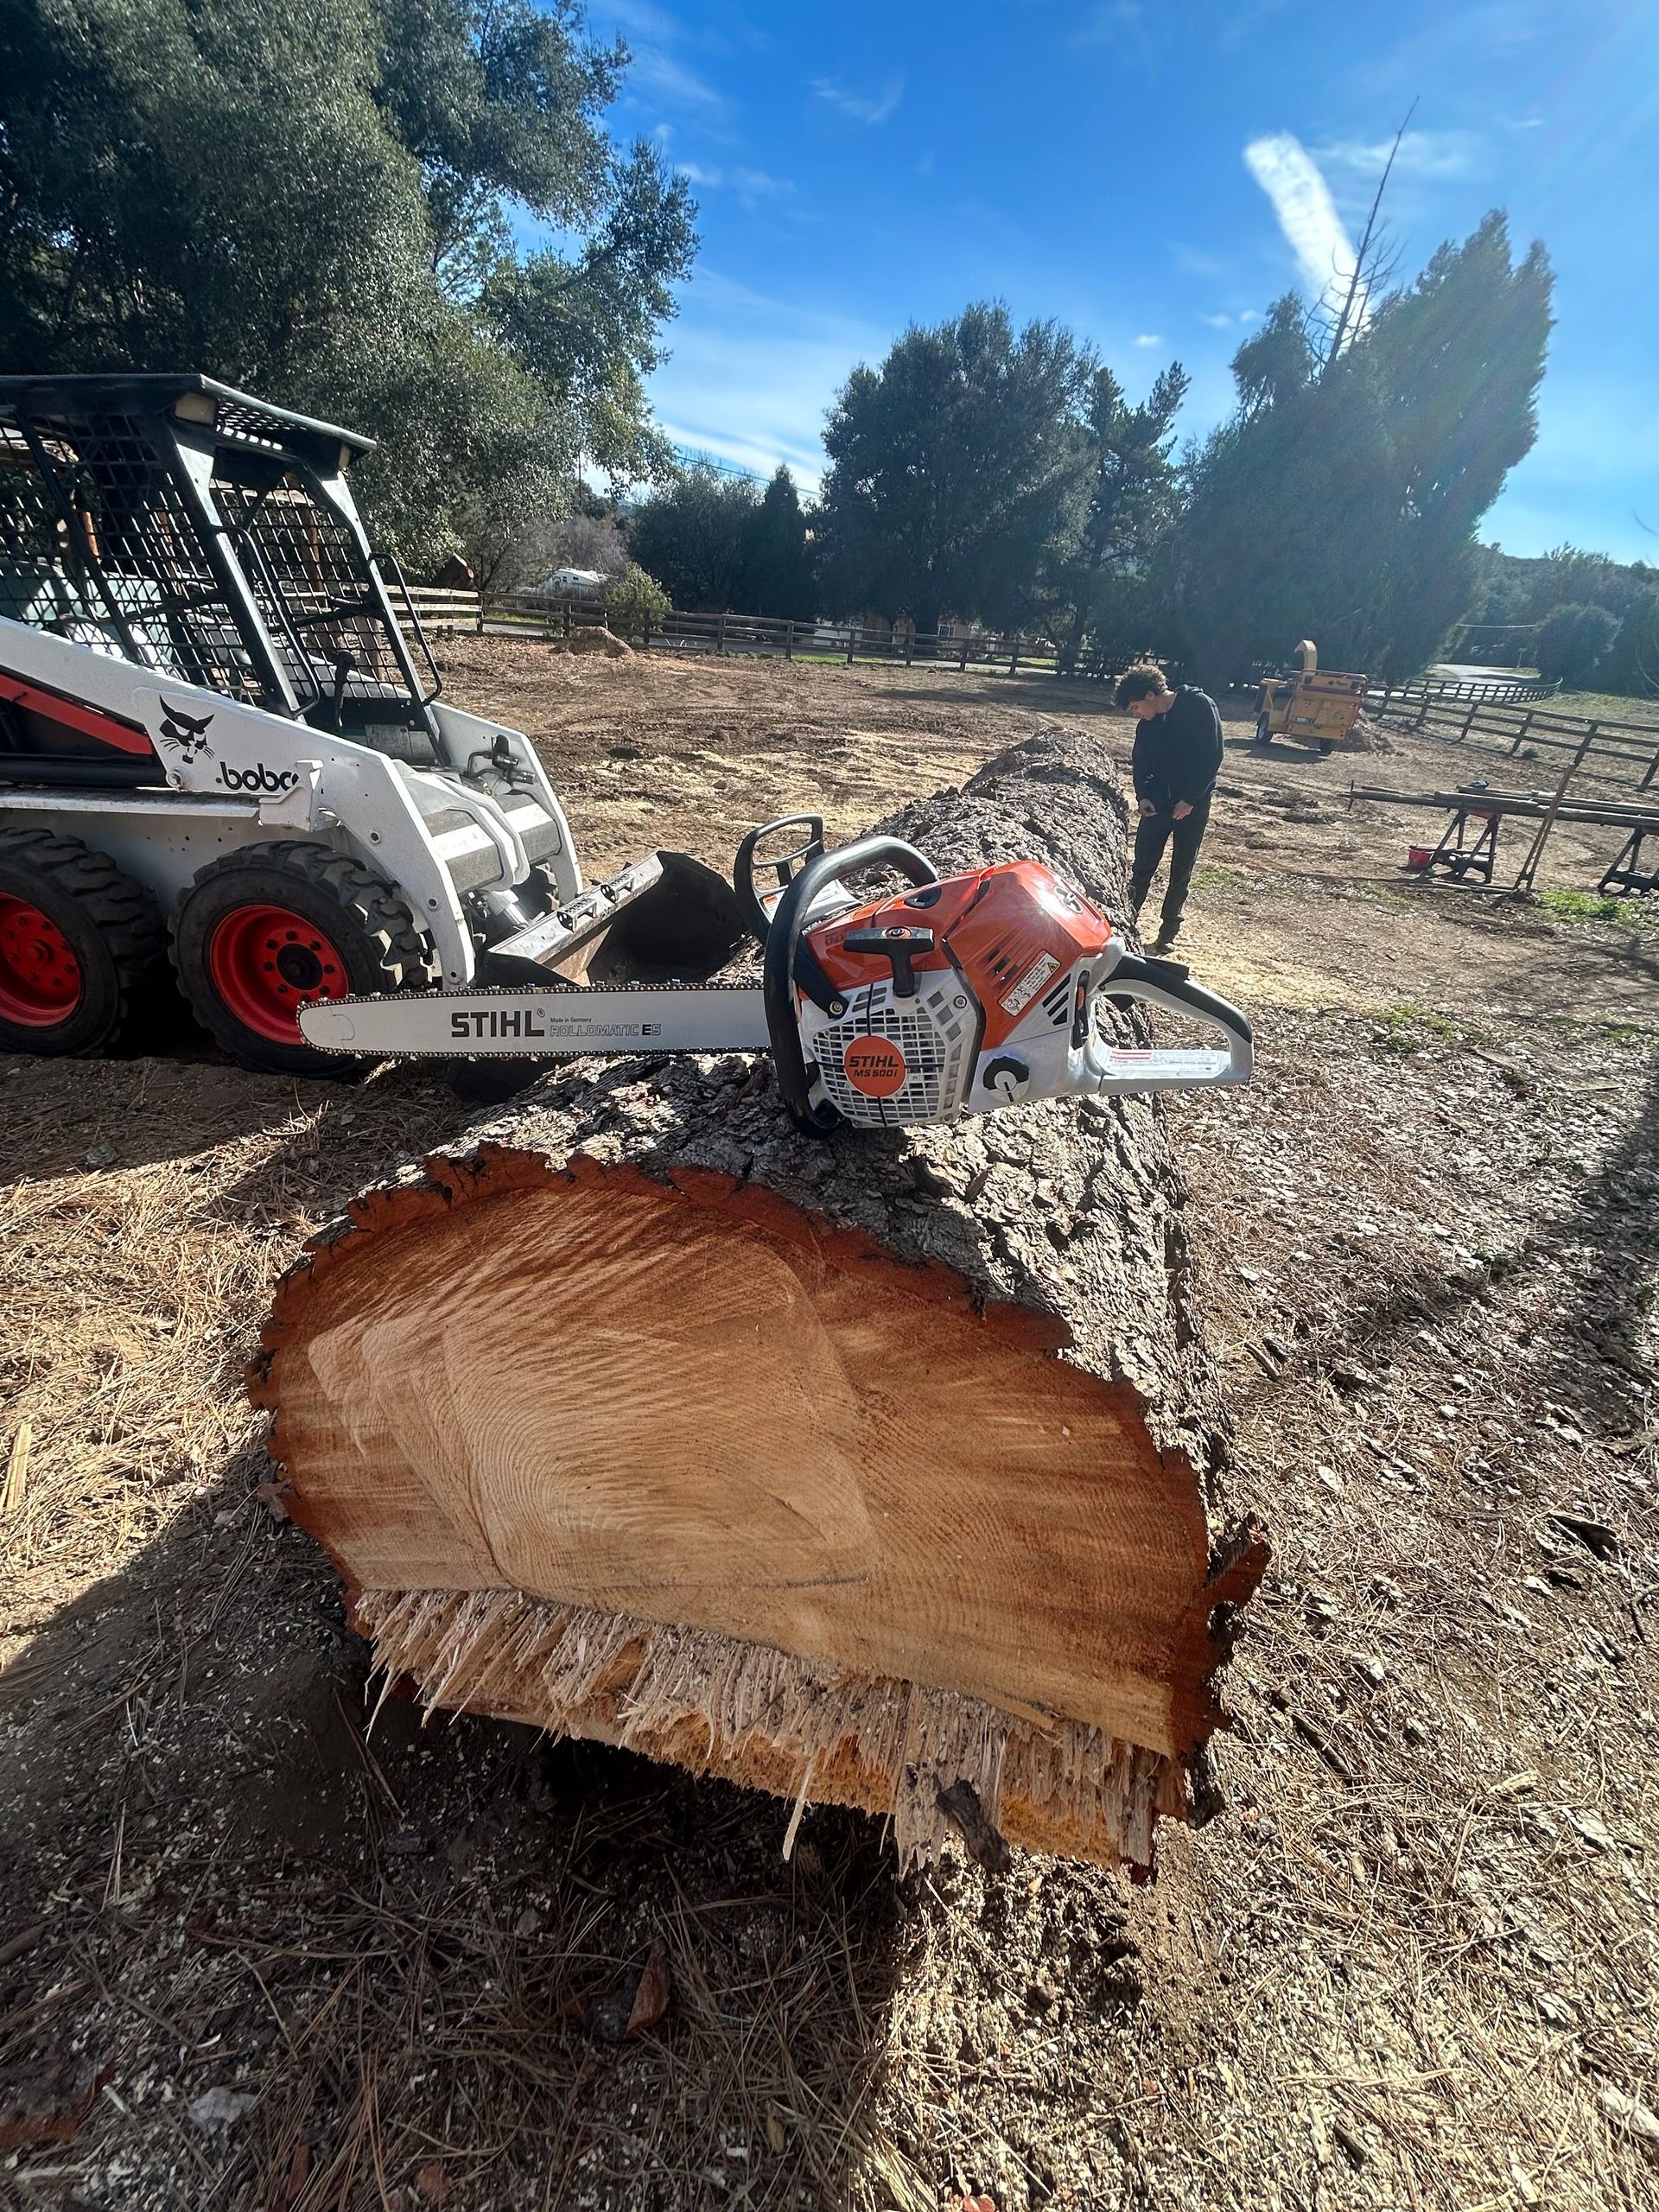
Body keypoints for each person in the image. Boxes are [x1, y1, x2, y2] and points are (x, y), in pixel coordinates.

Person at [1112, 661, 1224, 954]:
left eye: (1136, 707)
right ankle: (1126, 922)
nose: (1136, 714)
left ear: (1151, 695)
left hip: (1193, 807)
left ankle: (1168, 933)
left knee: (1181, 871)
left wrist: (1190, 799)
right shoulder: (1147, 726)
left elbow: (1212, 756)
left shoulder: (1199, 707)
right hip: (1157, 807)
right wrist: (1143, 796)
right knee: (1142, 867)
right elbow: (1141, 763)